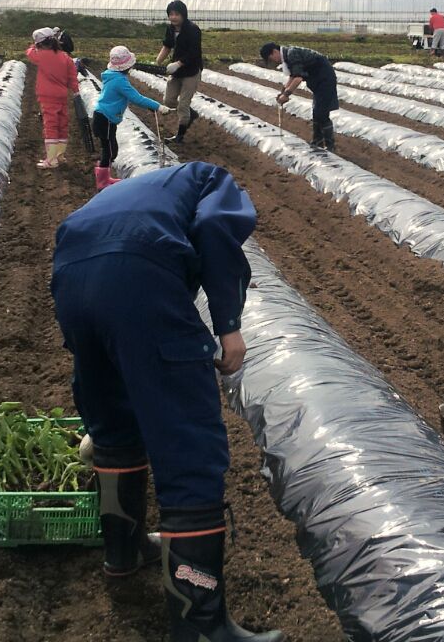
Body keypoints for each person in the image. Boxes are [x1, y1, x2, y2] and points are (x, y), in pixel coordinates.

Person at [51, 162, 282, 642]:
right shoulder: (213, 178)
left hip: (71, 276)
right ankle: (199, 623)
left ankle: (124, 553)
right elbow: (218, 228)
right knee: (190, 452)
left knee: (114, 428)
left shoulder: (136, 191)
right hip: (138, 277)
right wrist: (228, 323)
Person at [92, 45, 173, 189]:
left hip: (103, 117)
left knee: (110, 149)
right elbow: (137, 98)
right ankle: (102, 181)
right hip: (105, 119)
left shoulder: (112, 76)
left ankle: (104, 177)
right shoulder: (120, 81)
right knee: (110, 151)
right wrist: (158, 106)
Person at [259, 41, 339, 152]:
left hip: (325, 80)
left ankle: (330, 146)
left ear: (274, 52)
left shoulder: (292, 54)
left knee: (321, 113)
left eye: (271, 58)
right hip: (318, 81)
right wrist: (283, 92)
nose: (274, 61)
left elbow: (298, 78)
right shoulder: (288, 55)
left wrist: (286, 95)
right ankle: (317, 142)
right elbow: (293, 76)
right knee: (317, 112)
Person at [26, 27, 80, 169]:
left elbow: (29, 53)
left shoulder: (40, 55)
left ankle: (51, 159)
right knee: (62, 125)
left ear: (40, 44)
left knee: (50, 126)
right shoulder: (65, 57)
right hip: (61, 95)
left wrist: (33, 45)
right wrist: (75, 91)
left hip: (47, 96)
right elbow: (72, 76)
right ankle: (60, 156)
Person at [154, 0, 203, 144]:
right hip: (176, 72)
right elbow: (167, 46)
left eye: (176, 14)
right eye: (171, 14)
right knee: (168, 100)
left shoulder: (193, 29)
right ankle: (191, 114)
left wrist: (179, 63)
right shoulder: (170, 29)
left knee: (183, 104)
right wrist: (157, 61)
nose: (173, 17)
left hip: (191, 70)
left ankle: (179, 136)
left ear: (183, 15)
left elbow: (194, 52)